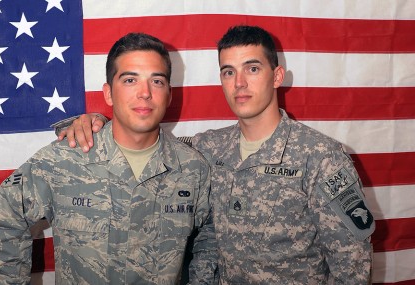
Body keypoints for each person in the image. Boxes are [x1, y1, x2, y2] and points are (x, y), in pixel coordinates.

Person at [56, 25, 376, 284]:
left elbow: (352, 265)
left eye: (252, 68)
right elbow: (140, 142)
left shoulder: (320, 156)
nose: (240, 83)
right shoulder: (210, 148)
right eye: (228, 72)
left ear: (277, 76)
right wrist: (94, 122)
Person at [0, 33, 218, 285]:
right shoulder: (63, 159)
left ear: (169, 95)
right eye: (130, 79)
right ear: (108, 94)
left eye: (156, 81)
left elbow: (209, 241)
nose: (144, 93)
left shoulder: (192, 169)